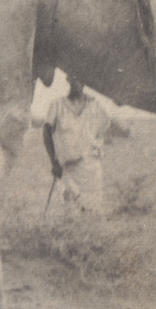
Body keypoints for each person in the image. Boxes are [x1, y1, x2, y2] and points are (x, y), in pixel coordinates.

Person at [43, 76, 112, 216]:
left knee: (93, 212)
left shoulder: (94, 104)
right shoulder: (57, 105)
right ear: (68, 79)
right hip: (68, 169)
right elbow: (46, 132)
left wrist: (96, 142)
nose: (76, 83)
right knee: (72, 213)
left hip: (91, 167)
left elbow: (106, 125)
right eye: (73, 78)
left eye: (80, 78)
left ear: (85, 80)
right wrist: (54, 162)